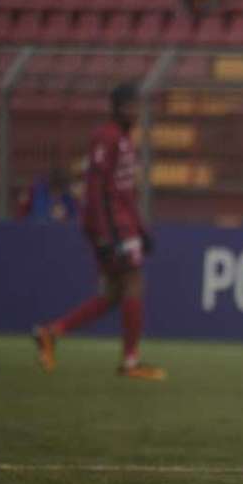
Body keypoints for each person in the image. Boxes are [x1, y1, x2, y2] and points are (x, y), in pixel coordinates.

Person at [31, 84, 165, 381]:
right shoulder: (106, 138)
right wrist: (105, 236)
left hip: (123, 224)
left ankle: (51, 333)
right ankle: (130, 362)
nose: (135, 111)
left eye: (137, 105)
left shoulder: (123, 140)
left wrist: (142, 229)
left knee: (114, 293)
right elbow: (98, 190)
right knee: (133, 281)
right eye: (129, 105)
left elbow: (125, 191)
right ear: (116, 107)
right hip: (113, 226)